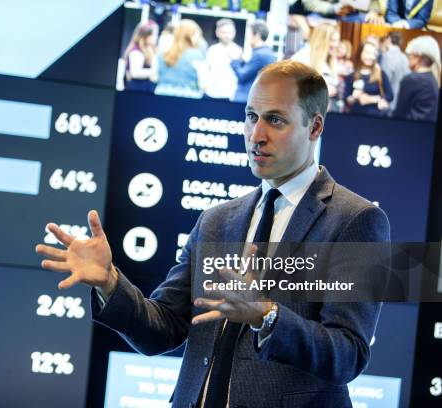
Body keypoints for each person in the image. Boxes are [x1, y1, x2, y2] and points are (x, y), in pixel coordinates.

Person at [36, 60, 389, 407]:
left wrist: (267, 316)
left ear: (314, 128)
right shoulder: (217, 220)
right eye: (251, 117)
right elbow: (163, 328)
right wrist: (110, 283)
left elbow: (348, 354)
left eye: (275, 120)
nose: (256, 135)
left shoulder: (355, 220)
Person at [291, 22, 342, 111]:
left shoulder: (331, 59)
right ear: (322, 40)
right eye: (333, 40)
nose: (336, 44)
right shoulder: (301, 57)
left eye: (337, 40)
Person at [154, 19, 207, 99]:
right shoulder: (197, 55)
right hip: (187, 98)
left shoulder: (162, 52)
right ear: (190, 35)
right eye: (197, 35)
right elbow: (203, 84)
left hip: (162, 95)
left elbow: (154, 77)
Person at [394, 35, 441, 122]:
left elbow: (399, 114)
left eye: (409, 55)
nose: (407, 58)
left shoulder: (412, 80)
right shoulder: (433, 79)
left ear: (418, 57)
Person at [231, 20, 276, 103]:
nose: (247, 38)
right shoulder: (266, 52)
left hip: (246, 98)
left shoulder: (260, 54)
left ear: (257, 35)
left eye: (249, 34)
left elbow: (242, 75)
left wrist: (235, 61)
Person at [345, 41, 394, 116]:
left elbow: (390, 95)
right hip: (355, 117)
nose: (371, 57)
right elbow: (346, 98)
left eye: (373, 54)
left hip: (375, 117)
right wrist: (354, 97)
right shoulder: (351, 76)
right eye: (367, 53)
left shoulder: (380, 74)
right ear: (360, 53)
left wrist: (371, 99)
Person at [205, 18, 242, 100]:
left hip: (230, 95)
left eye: (229, 32)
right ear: (217, 33)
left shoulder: (238, 51)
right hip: (212, 93)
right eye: (224, 32)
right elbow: (207, 70)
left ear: (234, 32)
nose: (227, 35)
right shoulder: (212, 50)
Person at [123, 21, 159, 93]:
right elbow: (135, 73)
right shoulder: (136, 51)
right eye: (154, 34)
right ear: (146, 36)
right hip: (136, 90)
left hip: (146, 89)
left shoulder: (150, 49)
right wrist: (154, 72)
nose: (156, 37)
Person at [380, 31, 410, 112]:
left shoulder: (387, 56)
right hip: (403, 102)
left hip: (389, 103)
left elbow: (383, 81)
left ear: (389, 39)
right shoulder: (405, 57)